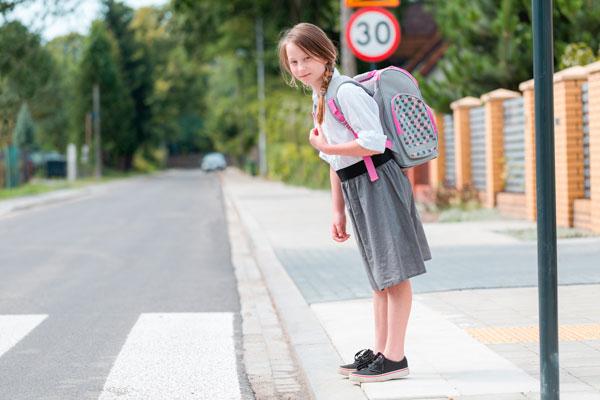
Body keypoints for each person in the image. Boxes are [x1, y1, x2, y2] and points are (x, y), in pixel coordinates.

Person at [277, 23, 431, 384]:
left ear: (326, 54)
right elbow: (335, 163)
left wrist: (327, 147)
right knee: (379, 278)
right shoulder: (320, 97)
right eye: (294, 62)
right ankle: (380, 352)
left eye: (307, 58)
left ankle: (395, 357)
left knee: (395, 273)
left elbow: (374, 142)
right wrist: (337, 209)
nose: (300, 68)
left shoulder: (345, 93)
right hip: (356, 186)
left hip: (380, 183)